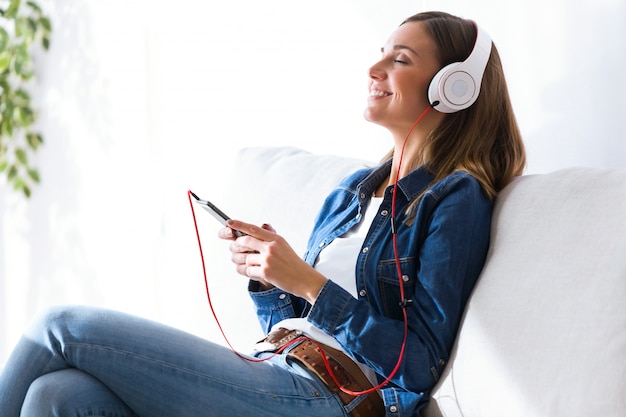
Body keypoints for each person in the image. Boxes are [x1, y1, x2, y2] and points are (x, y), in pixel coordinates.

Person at [0, 10, 525, 417]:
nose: (374, 68)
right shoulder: (352, 193)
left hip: (333, 400)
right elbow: (290, 324)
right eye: (381, 53)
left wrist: (314, 285)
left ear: (454, 89)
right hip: (279, 368)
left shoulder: (456, 197)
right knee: (58, 395)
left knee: (60, 326)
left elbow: (418, 362)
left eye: (400, 60)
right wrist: (272, 280)